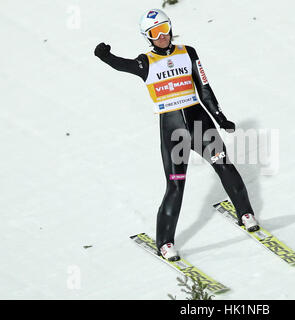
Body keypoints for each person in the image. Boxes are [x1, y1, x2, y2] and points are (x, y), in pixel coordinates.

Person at [94, 9, 259, 261]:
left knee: (225, 165)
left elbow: (204, 88)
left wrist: (220, 117)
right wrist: (106, 57)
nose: (162, 36)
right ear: (147, 37)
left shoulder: (188, 52)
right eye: (154, 33)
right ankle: (165, 243)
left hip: (199, 123)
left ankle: (246, 214)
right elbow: (122, 65)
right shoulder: (145, 62)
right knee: (175, 184)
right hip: (173, 130)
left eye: (164, 29)